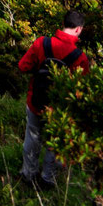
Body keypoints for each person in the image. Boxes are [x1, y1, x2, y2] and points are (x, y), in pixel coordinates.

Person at [18, 10, 89, 188]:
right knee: (55, 144)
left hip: (35, 102)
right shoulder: (79, 57)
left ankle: (28, 175)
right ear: (79, 29)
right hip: (60, 110)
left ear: (63, 23)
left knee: (32, 140)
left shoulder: (42, 42)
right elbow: (82, 89)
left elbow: (23, 66)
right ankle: (48, 179)